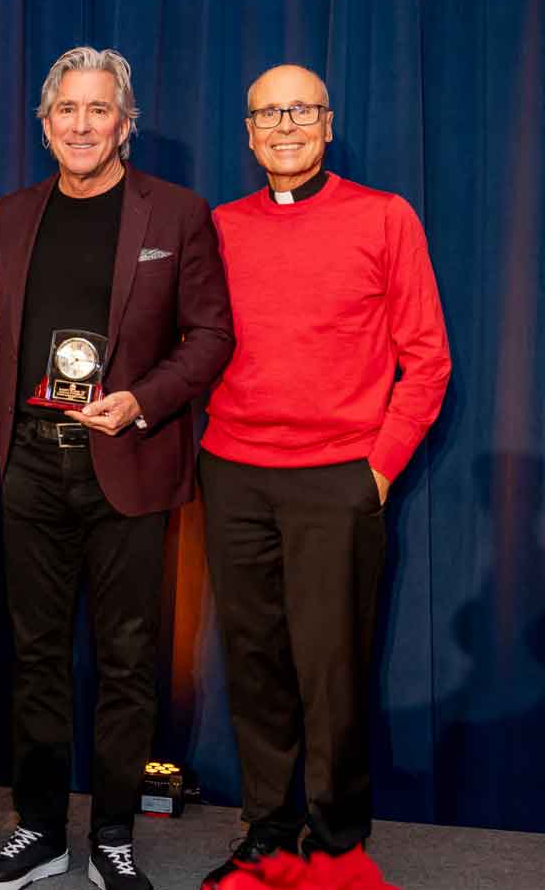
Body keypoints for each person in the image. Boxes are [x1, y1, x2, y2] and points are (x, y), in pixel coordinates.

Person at [0, 47, 234, 890]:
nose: (82, 125)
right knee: (37, 656)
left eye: (99, 110)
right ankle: (41, 828)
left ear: (126, 123)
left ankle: (112, 832)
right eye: (67, 111)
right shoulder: (10, 215)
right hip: (29, 473)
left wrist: (142, 401)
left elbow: (211, 336)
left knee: (127, 660)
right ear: (45, 125)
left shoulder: (178, 213)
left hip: (129, 462)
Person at [198, 64, 450, 887]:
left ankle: (336, 844)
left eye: (301, 110)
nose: (285, 125)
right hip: (233, 473)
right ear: (247, 132)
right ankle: (268, 833)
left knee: (333, 669)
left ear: (328, 123)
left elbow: (428, 360)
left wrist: (376, 472)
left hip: (337, 479)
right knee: (256, 661)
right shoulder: (219, 226)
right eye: (268, 112)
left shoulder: (384, 217)